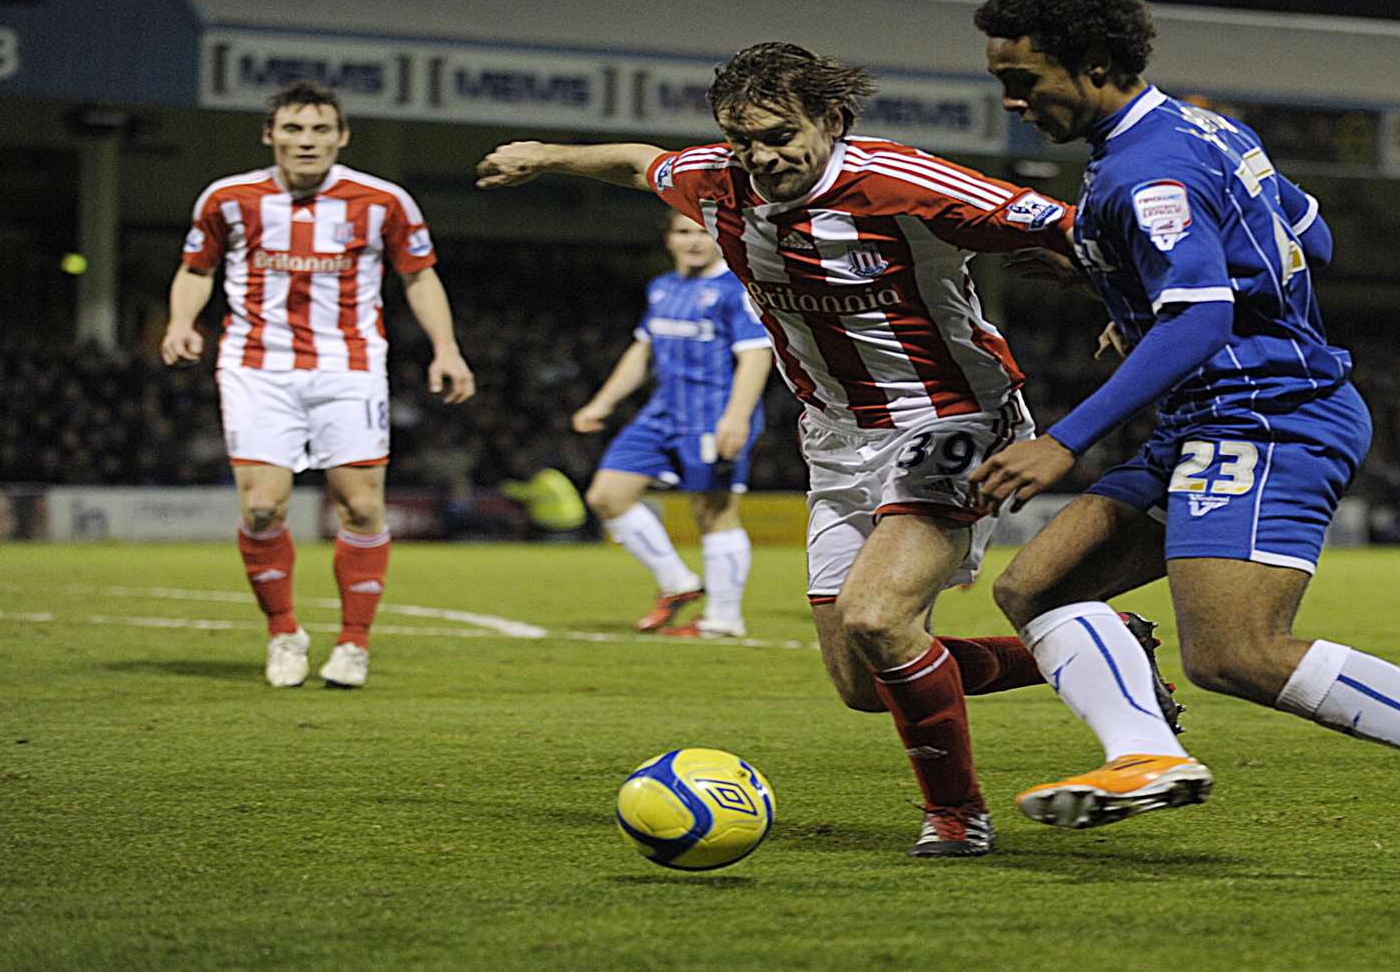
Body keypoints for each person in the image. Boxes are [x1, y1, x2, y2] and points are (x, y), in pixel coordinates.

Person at [968, 0, 1400, 887]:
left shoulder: (1150, 168)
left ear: (1093, 62)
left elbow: (1201, 319)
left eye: (1023, 79)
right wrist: (1138, 286)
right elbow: (1317, 237)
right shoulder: (1208, 129)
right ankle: (1148, 751)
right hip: (1206, 416)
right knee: (1038, 589)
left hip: (1266, 417)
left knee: (1236, 653)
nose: (1012, 100)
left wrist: (1064, 438)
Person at [476, 42, 1177, 858]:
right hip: (836, 438)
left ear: (832, 120)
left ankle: (957, 817)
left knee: (878, 616)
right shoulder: (715, 181)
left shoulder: (906, 182)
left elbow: (1072, 227)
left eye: (780, 136)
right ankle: (1109, 646)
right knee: (862, 683)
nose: (761, 158)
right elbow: (641, 162)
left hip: (952, 418)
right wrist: (544, 155)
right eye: (743, 141)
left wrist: (1123, 303)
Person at [162, 81, 476, 690]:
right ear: (270, 134)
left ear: (342, 136)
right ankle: (284, 631)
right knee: (261, 507)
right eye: (294, 130)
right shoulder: (228, 199)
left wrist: (446, 348)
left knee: (360, 505)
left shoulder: (384, 201)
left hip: (348, 365)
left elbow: (419, 278)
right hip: (257, 366)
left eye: (320, 130)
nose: (307, 142)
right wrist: (180, 321)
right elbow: (195, 268)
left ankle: (354, 643)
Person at [572, 209, 775, 639]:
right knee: (607, 496)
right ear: (668, 240)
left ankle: (723, 619)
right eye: (684, 232)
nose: (694, 241)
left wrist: (736, 417)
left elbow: (756, 354)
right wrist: (602, 403)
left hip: (713, 415)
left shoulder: (735, 289)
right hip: (662, 413)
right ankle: (678, 584)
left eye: (703, 233)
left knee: (714, 514)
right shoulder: (662, 288)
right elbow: (641, 351)